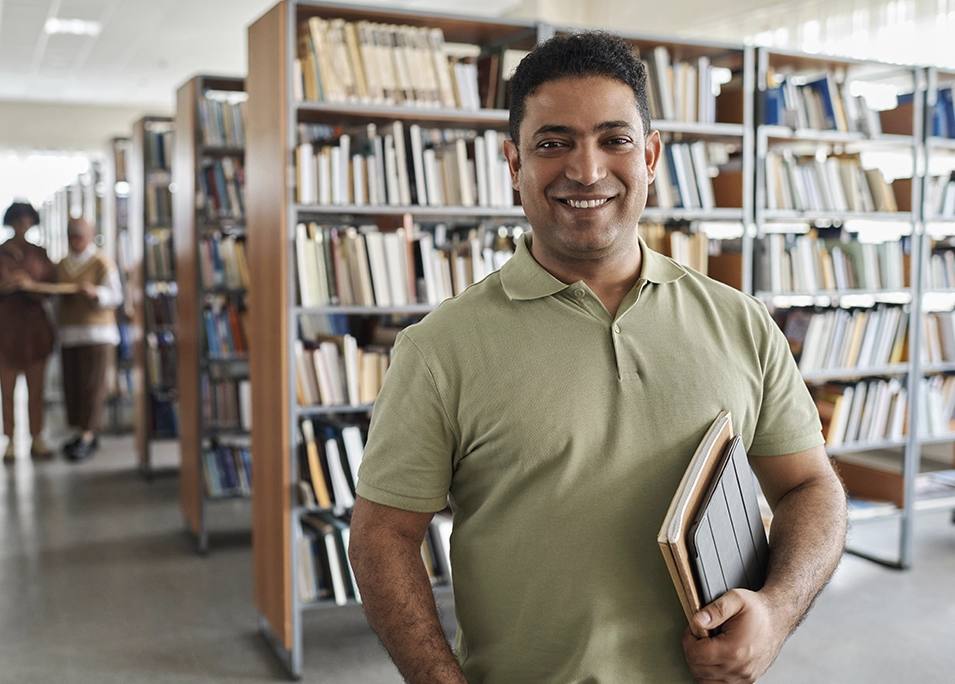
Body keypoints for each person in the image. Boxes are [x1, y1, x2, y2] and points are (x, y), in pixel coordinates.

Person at [347, 31, 848, 684]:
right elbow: (381, 537)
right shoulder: (438, 349)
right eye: (553, 143)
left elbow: (811, 487)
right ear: (513, 163)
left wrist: (776, 614)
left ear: (651, 156)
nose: (586, 171)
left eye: (614, 139)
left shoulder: (741, 322)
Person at [0, 201, 57, 463]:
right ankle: (10, 440)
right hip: (6, 331)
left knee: (37, 390)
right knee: (7, 389)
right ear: (10, 223)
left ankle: (37, 437)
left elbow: (51, 286)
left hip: (35, 329)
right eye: (17, 221)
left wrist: (29, 284)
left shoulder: (39, 253)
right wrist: (9, 285)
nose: (22, 226)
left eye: (26, 221)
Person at [55, 218, 124, 461]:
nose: (75, 241)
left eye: (79, 236)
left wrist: (96, 293)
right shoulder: (62, 265)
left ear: (90, 236)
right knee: (73, 386)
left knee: (92, 386)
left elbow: (116, 296)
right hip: (69, 334)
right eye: (71, 236)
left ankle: (88, 432)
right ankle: (81, 432)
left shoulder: (101, 262)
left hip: (96, 334)